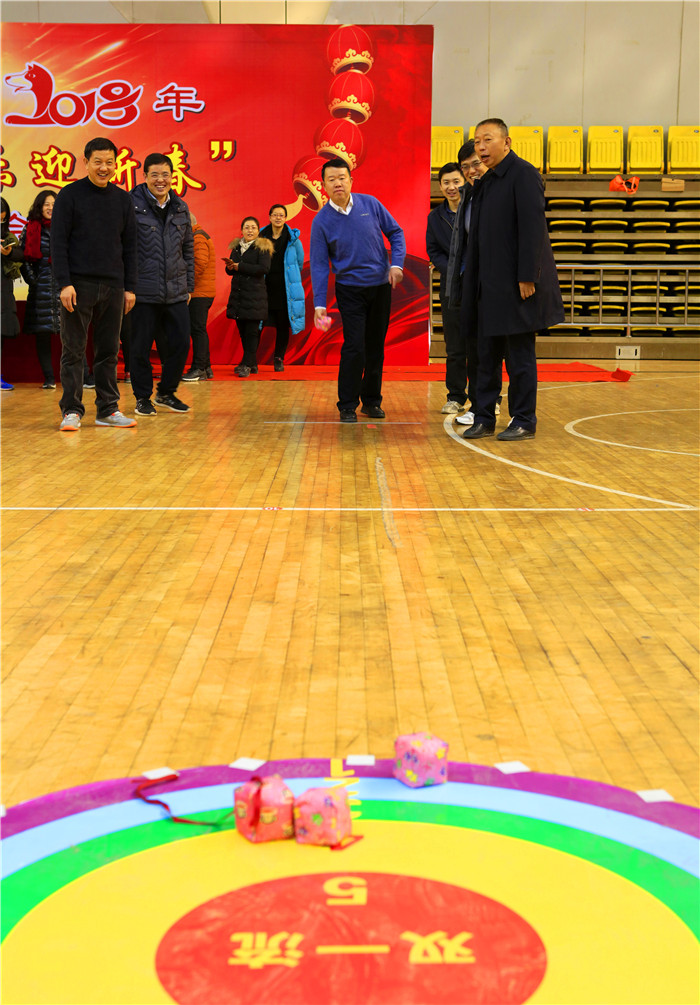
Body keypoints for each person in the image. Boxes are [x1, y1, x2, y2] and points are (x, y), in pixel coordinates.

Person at [461, 119, 564, 442]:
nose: (480, 147)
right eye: (477, 141)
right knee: (485, 356)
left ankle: (523, 419)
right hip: (486, 286)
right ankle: (484, 417)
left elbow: (533, 229)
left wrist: (527, 276)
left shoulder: (524, 174)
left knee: (519, 357)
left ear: (506, 142)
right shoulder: (485, 181)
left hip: (516, 286)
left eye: (487, 140)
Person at [50, 136, 137, 430]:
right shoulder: (69, 195)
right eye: (98, 161)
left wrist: (130, 287)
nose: (104, 167)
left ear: (116, 164)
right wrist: (64, 283)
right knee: (73, 350)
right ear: (86, 162)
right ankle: (71, 410)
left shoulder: (122, 199)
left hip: (114, 286)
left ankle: (108, 410)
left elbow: (130, 247)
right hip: (78, 285)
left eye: (109, 162)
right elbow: (58, 243)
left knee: (109, 350)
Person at [310, 158, 405, 423]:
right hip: (349, 290)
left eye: (342, 177)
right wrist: (319, 304)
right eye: (331, 179)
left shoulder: (370, 204)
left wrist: (396, 264)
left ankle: (371, 402)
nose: (338, 183)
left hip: (380, 287)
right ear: (324, 185)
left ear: (351, 180)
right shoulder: (321, 222)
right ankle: (347, 404)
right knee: (354, 346)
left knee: (375, 346)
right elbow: (319, 264)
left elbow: (396, 233)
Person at [130, 153, 194, 415]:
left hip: (176, 290)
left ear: (172, 177)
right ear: (145, 176)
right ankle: (142, 397)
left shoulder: (180, 207)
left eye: (165, 175)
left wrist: (189, 286)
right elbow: (123, 248)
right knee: (140, 347)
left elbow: (188, 248)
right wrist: (127, 287)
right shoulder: (130, 205)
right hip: (143, 290)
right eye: (154, 174)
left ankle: (166, 392)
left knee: (181, 343)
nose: (160, 180)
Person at [426, 162, 465, 413]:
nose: (451, 187)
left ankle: (489, 398)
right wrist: (452, 269)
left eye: (456, 182)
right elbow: (433, 250)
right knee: (455, 346)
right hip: (451, 287)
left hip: (478, 285)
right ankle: (456, 396)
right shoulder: (435, 217)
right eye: (446, 183)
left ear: (464, 182)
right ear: (440, 186)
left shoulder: (476, 210)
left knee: (483, 344)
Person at [223, 216, 273, 378]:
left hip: (255, 296)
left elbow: (264, 269)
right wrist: (230, 267)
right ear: (242, 230)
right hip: (239, 296)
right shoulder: (237, 247)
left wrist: (240, 266)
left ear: (258, 230)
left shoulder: (262, 247)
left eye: (253, 227)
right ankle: (252, 363)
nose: (249, 230)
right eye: (246, 227)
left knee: (251, 332)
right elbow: (231, 271)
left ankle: (246, 364)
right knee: (243, 332)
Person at [259, 204, 305, 372]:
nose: (278, 218)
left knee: (282, 324)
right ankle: (249, 360)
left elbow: (299, 263)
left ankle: (279, 358)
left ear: (286, 218)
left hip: (285, 290)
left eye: (281, 215)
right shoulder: (260, 236)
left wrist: (289, 278)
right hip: (263, 288)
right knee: (257, 324)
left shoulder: (293, 240)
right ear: (270, 217)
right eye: (275, 215)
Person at [182, 212, 216, 382]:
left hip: (199, 292)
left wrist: (187, 284)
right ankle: (206, 367)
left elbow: (199, 264)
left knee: (197, 330)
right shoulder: (199, 236)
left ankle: (199, 368)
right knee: (198, 329)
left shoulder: (198, 238)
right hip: (202, 291)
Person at [1, 196, 22, 390]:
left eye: (3, 218)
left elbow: (21, 255)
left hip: (3, 288)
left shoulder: (8, 235)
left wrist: (8, 253)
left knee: (1, 333)